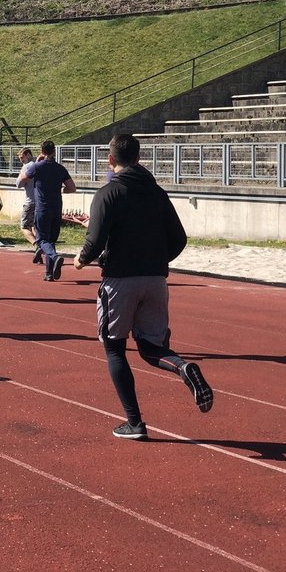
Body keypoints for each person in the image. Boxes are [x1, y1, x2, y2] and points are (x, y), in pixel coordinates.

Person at [73, 133, 213, 440]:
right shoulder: (157, 192)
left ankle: (135, 423)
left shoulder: (108, 193)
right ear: (139, 158)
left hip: (120, 281)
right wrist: (156, 259)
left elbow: (95, 241)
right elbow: (179, 238)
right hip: (155, 281)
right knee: (151, 347)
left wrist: (81, 259)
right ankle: (182, 368)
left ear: (110, 161)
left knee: (114, 348)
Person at [32, 139, 76, 281]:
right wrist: (62, 190)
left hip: (42, 208)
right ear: (54, 151)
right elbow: (72, 187)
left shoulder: (37, 167)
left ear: (41, 151)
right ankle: (49, 273)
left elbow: (22, 178)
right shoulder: (60, 168)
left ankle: (55, 257)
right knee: (51, 240)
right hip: (56, 207)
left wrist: (36, 162)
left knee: (42, 239)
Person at [15, 146, 43, 267]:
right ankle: (40, 253)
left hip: (30, 202)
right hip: (39, 201)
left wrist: (22, 172)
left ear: (27, 155)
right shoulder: (40, 165)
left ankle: (37, 245)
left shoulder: (27, 167)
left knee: (24, 227)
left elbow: (18, 184)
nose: (21, 160)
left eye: (22, 157)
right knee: (35, 227)